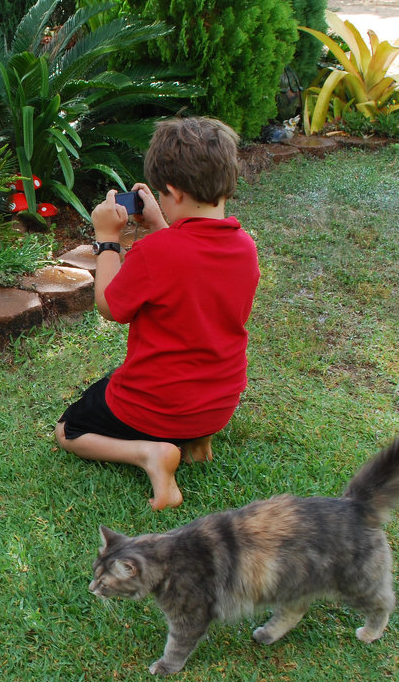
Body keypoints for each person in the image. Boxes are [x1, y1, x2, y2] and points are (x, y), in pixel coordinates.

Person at [55, 116, 260, 510]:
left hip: (156, 408)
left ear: (174, 193)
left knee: (68, 429)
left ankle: (151, 455)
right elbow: (191, 266)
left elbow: (111, 305)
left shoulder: (156, 252)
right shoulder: (244, 247)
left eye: (164, 197)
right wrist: (160, 223)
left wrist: (107, 240)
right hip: (219, 404)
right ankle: (197, 444)